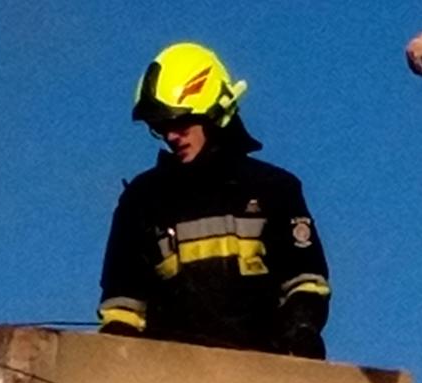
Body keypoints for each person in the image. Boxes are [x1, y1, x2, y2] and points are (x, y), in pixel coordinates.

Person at [97, 42, 331, 359]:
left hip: (264, 381)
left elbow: (305, 281)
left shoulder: (275, 190)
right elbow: (122, 307)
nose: (171, 136)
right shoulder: (141, 202)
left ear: (216, 114)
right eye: (161, 127)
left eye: (180, 123)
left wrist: (302, 332)